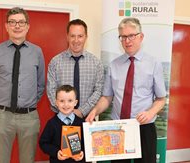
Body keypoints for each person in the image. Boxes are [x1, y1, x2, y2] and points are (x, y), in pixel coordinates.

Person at [86, 17, 166, 163]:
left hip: (144, 127)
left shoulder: (154, 64)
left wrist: (150, 113)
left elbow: (161, 99)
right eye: (123, 37)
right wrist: (94, 111)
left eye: (131, 36)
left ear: (141, 37)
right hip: (118, 128)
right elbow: (107, 97)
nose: (127, 41)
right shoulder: (114, 65)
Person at [0, 7, 45, 163]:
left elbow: (40, 85)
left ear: (27, 26)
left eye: (21, 22)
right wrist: (2, 103)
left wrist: (27, 104)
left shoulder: (37, 52)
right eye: (12, 22)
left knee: (28, 160)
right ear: (6, 26)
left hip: (29, 117)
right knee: (1, 159)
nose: (17, 26)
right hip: (2, 117)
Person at [47, 19, 104, 119]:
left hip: (87, 119)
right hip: (61, 118)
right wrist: (65, 110)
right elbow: (51, 90)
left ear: (86, 37)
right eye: (72, 36)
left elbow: (98, 91)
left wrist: (81, 111)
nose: (76, 40)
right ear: (67, 37)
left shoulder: (96, 63)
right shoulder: (55, 62)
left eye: (80, 36)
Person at [39, 85, 85, 163]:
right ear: (56, 102)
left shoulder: (82, 123)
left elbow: (87, 145)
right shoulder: (52, 124)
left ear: (75, 102)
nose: (66, 105)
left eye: (70, 101)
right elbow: (43, 143)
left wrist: (83, 153)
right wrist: (56, 152)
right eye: (62, 101)